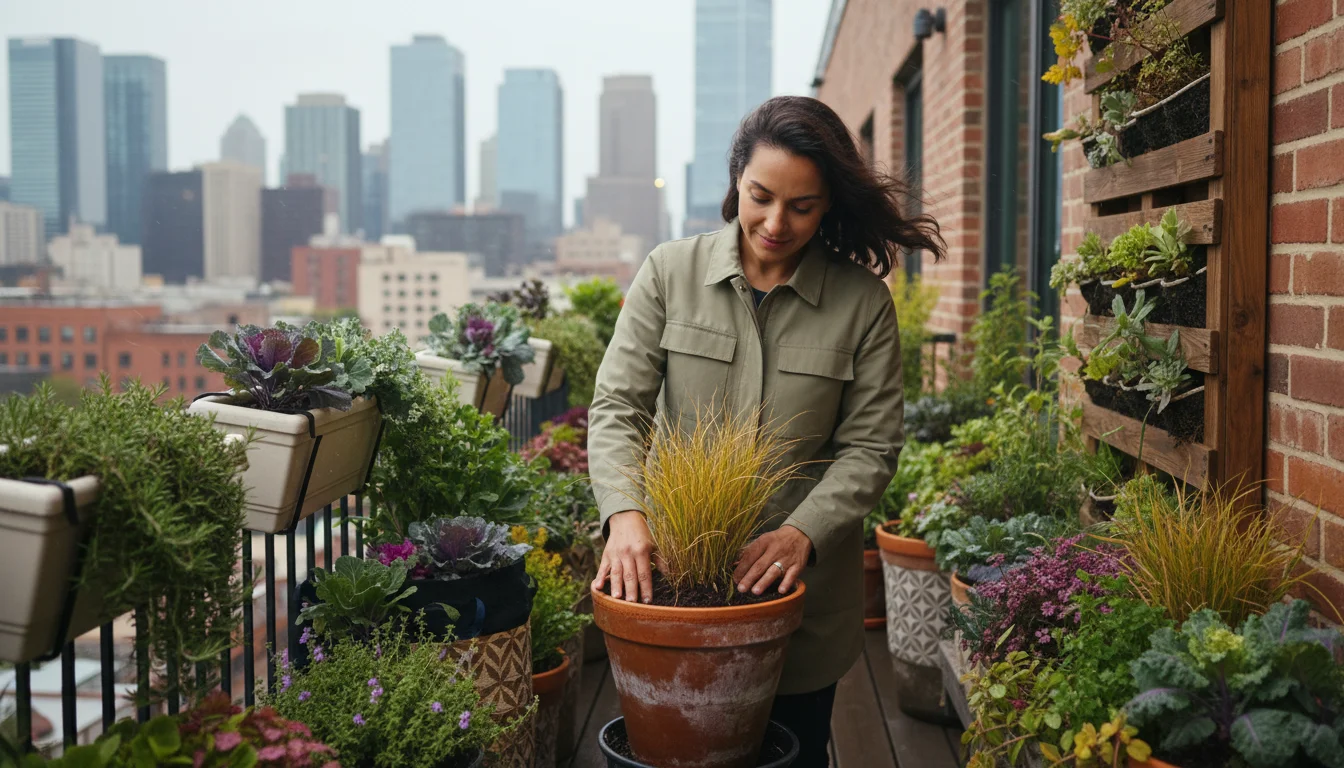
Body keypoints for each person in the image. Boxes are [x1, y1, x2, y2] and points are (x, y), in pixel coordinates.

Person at [587, 95, 945, 765]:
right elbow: (616, 409)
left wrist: (801, 532)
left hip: (798, 609)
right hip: (674, 596)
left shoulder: (862, 305)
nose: (776, 222)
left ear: (829, 204)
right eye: (761, 196)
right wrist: (625, 517)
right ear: (735, 184)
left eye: (802, 206)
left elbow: (870, 447)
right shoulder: (670, 272)